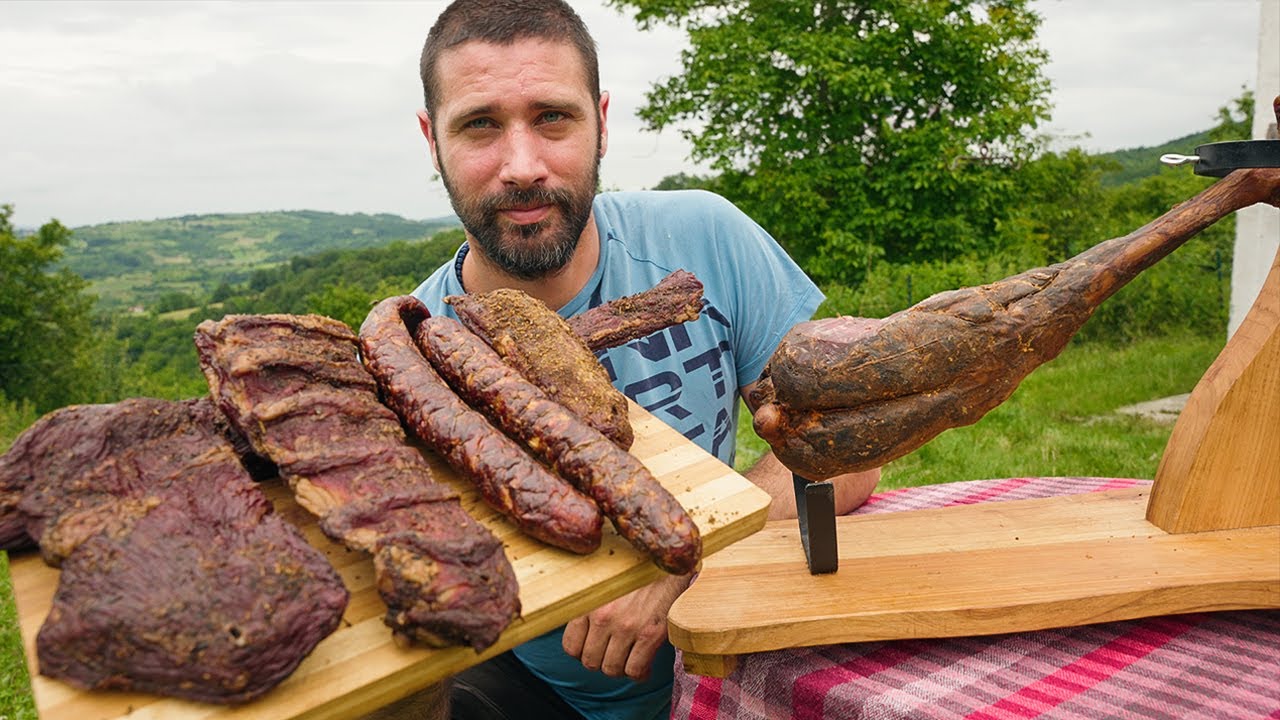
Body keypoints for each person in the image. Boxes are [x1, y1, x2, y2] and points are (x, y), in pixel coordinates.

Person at [401, 1, 881, 718]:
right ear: (431, 139)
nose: (522, 165)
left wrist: (685, 558)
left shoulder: (705, 238)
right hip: (528, 691)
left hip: (738, 664)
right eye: (480, 124)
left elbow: (845, 451)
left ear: (600, 122)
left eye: (553, 118)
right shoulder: (410, 355)